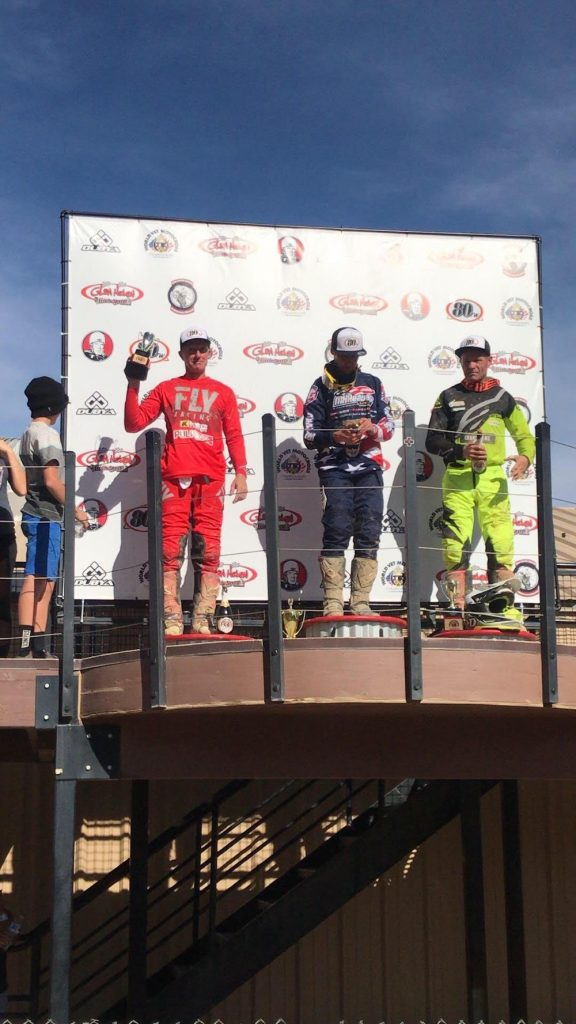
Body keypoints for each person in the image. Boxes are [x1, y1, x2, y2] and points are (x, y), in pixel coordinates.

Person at [124, 327, 248, 635]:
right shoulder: (167, 388)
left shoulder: (224, 392)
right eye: (191, 349)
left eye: (202, 348)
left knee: (209, 551)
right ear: (181, 354)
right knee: (169, 551)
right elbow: (133, 423)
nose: (197, 354)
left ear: (210, 352)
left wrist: (241, 471)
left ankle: (203, 619)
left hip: (211, 480)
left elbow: (234, 434)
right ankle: (171, 618)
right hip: (174, 479)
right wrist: (133, 383)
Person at [425, 335, 535, 624]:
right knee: (455, 545)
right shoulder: (448, 396)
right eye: (466, 360)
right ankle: (458, 608)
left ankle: (502, 609)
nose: (472, 365)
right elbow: (432, 440)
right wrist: (460, 450)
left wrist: (525, 457)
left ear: (489, 361)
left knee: (500, 543)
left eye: (477, 359)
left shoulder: (502, 397)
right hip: (458, 478)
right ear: (460, 362)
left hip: (493, 479)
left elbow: (524, 435)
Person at [303, 326, 394, 616]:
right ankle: (332, 602)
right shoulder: (320, 387)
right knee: (337, 527)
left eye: (354, 356)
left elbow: (389, 425)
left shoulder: (373, 383)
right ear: (333, 352)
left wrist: (373, 429)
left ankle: (360, 602)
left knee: (369, 529)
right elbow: (309, 435)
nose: (349, 362)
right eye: (344, 356)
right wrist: (335, 436)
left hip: (369, 465)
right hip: (334, 467)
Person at [18, 378, 89, 658]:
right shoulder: (47, 435)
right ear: (54, 407)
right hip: (45, 515)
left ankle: (35, 645)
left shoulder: (28, 432)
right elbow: (51, 481)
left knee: (43, 579)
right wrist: (76, 510)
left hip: (35, 512)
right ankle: (29, 646)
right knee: (39, 580)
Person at [0, 439, 26, 656]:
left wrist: (8, 451)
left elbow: (21, 488)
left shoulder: (3, 452)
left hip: (3, 531)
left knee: (2, 598)